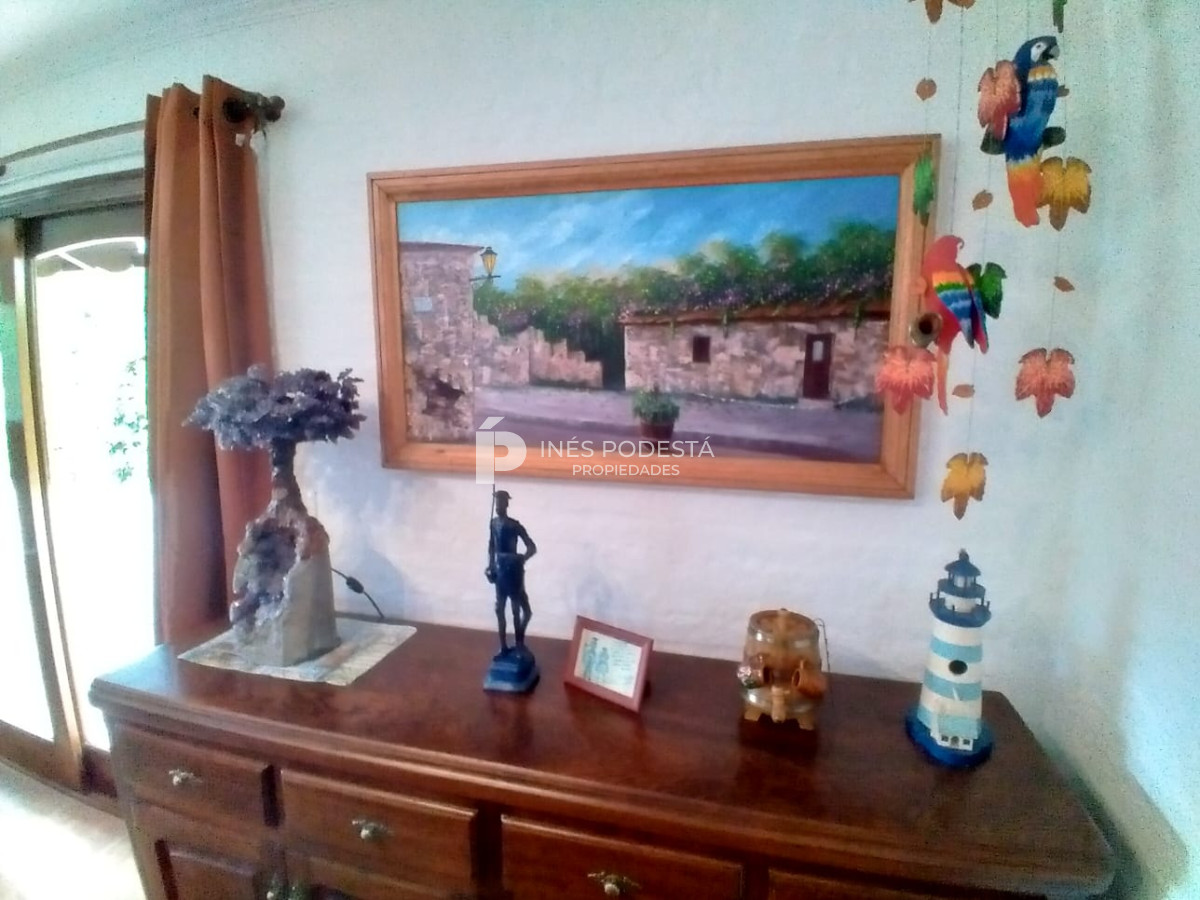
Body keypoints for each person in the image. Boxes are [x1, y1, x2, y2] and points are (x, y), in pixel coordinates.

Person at [485, 489, 536, 654]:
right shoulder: (493, 523)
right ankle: (504, 647)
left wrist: (520, 559)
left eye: (501, 502)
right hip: (500, 571)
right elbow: (491, 546)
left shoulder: (514, 525)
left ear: (506, 504)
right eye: (497, 502)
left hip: (513, 572)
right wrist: (490, 566)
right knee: (500, 609)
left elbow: (531, 547)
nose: (498, 506)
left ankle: (519, 643)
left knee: (518, 610)